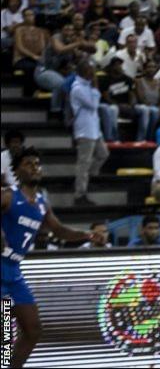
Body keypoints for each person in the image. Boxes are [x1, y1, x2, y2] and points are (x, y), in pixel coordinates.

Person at [2, 148, 105, 368]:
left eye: (37, 164)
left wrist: (87, 234)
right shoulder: (8, 195)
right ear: (17, 171)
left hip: (14, 270)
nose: (35, 167)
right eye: (29, 164)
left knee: (32, 330)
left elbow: (59, 230)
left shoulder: (41, 203)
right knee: (4, 334)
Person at [69, 61, 108, 206]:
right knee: (83, 163)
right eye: (91, 70)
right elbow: (93, 105)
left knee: (103, 154)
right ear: (84, 71)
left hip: (94, 129)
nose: (93, 73)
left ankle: (86, 179)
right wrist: (96, 87)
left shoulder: (87, 86)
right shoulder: (78, 88)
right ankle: (79, 194)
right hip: (84, 130)